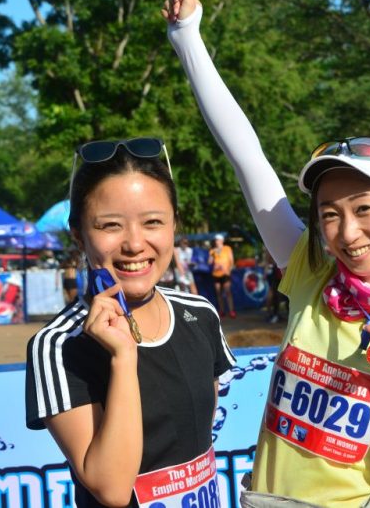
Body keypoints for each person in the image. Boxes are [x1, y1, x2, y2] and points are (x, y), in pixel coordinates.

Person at [164, 0, 370, 506]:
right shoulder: (312, 271)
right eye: (330, 214)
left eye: (364, 209)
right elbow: (249, 160)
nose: (347, 233)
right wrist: (187, 35)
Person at [25, 136, 235, 507]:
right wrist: (123, 358)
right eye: (110, 226)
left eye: (153, 222)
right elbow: (112, 490)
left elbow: (198, 440)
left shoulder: (200, 314)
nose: (135, 244)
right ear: (79, 236)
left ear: (174, 225)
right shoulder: (60, 344)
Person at [208, 233, 236, 318]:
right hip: (216, 274)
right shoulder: (212, 250)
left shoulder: (227, 248)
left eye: (217, 240)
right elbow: (209, 262)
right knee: (218, 292)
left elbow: (231, 260)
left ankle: (231, 311)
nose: (216, 241)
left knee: (228, 291)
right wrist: (212, 256)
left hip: (226, 273)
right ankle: (222, 311)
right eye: (215, 240)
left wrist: (229, 270)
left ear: (221, 240)